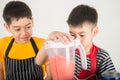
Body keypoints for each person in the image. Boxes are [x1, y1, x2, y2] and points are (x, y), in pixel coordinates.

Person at [36, 4, 116, 80]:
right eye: (72, 35)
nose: (77, 40)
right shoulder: (65, 50)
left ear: (94, 32)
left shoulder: (102, 57)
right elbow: (39, 62)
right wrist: (49, 38)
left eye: (82, 35)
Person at [0, 1, 51, 80]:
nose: (24, 33)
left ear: (32, 22)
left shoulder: (42, 44)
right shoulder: (2, 44)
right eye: (17, 29)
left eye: (28, 27)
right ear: (7, 27)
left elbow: (50, 76)